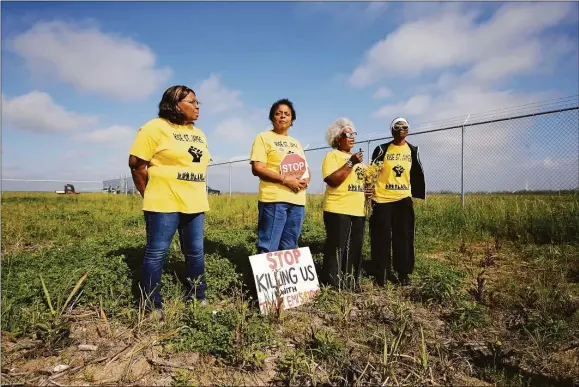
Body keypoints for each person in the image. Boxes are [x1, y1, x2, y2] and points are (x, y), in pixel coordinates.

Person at [128, 85, 210, 314]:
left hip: (194, 203)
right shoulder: (154, 128)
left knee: (195, 252)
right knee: (156, 253)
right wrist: (150, 193)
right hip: (164, 203)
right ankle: (151, 304)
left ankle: (197, 297)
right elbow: (137, 164)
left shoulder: (199, 133)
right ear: (175, 105)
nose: (197, 106)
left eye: (197, 102)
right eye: (192, 102)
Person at [369, 117, 426, 286]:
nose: (401, 128)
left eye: (405, 126)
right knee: (381, 237)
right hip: (382, 199)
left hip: (403, 200)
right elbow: (372, 171)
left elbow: (416, 172)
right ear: (392, 130)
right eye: (397, 126)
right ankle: (381, 272)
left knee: (404, 238)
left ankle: (403, 272)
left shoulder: (413, 150)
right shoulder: (382, 149)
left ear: (408, 130)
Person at [249, 98, 310, 253]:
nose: (283, 116)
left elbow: (305, 168)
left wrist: (306, 179)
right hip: (274, 200)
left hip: (297, 200)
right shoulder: (263, 137)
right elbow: (258, 168)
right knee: (268, 246)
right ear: (272, 117)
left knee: (290, 247)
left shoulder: (296, 143)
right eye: (278, 113)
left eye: (287, 114)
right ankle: (265, 277)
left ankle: (283, 278)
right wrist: (285, 180)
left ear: (292, 119)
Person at [320, 118, 367, 290]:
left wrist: (368, 189)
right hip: (338, 209)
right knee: (337, 247)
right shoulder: (332, 156)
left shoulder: (359, 161)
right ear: (337, 138)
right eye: (347, 134)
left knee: (355, 247)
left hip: (358, 210)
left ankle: (350, 281)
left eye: (353, 133)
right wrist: (350, 163)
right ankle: (332, 284)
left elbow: (362, 182)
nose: (352, 137)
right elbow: (332, 180)